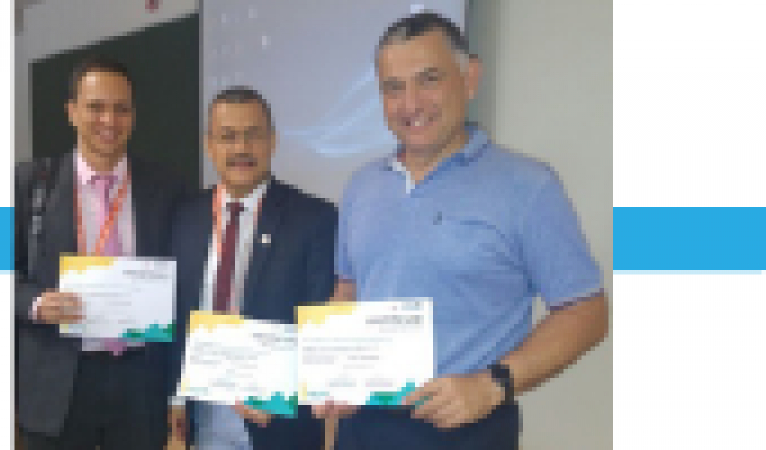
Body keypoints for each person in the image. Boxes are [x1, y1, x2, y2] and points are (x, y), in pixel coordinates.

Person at [315, 11, 610, 450]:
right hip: (364, 429)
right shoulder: (362, 185)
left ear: (469, 78)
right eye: (394, 88)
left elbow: (587, 312)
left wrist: (493, 384)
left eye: (429, 80)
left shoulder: (528, 187)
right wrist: (331, 373)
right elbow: (350, 290)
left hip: (469, 430)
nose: (411, 104)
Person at [14, 55, 184, 450]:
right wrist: (35, 303)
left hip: (140, 381)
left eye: (121, 108)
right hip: (58, 380)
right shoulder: (28, 183)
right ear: (71, 111)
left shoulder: (168, 187)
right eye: (96, 107)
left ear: (134, 116)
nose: (109, 120)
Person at [167, 86, 335, 450]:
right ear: (209, 145)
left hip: (280, 422)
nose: (241, 148)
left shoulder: (314, 218)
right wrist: (175, 399)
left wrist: (281, 389)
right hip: (205, 417)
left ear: (272, 141)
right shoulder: (184, 218)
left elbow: (321, 323)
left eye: (253, 135)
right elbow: (177, 314)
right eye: (228, 137)